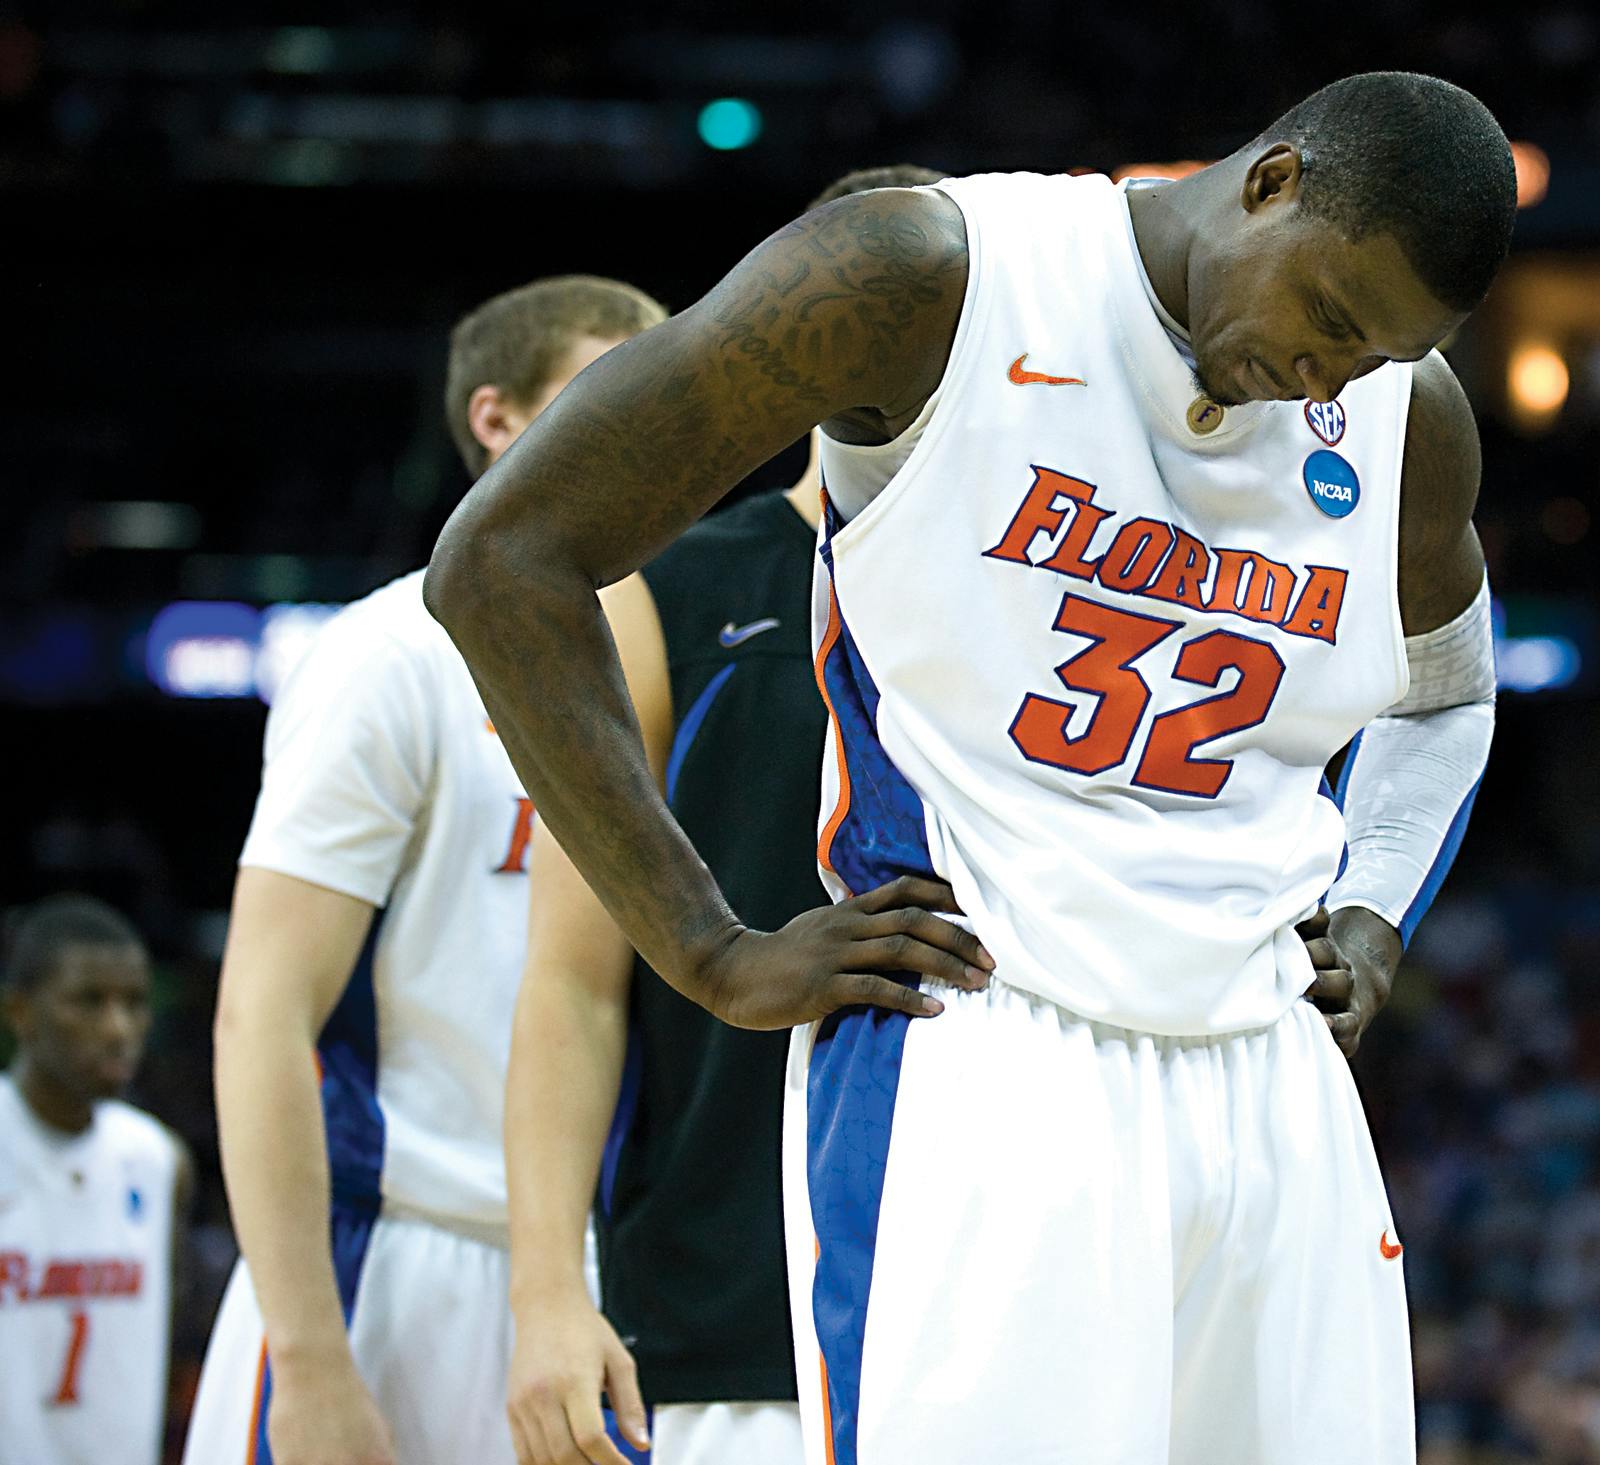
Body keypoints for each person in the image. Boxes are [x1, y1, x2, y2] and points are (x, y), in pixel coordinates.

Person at [426, 70, 1511, 1465]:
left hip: (1272, 1073)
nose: (1327, 382)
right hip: (991, 1040)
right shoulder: (930, 274)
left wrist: (1374, 904)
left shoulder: (1405, 419)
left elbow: (1448, 691)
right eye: (1329, 322)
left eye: (1371, 359)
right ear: (1271, 180)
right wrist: (704, 948)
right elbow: (503, 559)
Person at [182, 276, 667, 1465]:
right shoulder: (388, 659)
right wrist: (307, 1360)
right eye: (616, 391)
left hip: (593, 1278)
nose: (662, 425)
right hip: (388, 1259)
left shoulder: (678, 656)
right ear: (496, 422)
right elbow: (260, 1017)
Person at [502, 164, 943, 1465]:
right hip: (715, 1316)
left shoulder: (1056, 602)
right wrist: (544, 1297)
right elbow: (570, 985)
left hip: (982, 1288)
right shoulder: (662, 589)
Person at [0, 895, 189, 1465]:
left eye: (135, 1003)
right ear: (21, 1012)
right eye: (89, 1002)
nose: (118, 1029)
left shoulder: (160, 1161)